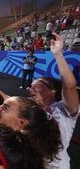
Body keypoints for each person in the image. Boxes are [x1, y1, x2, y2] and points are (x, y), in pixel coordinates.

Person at [28, 33, 79, 169]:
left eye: (36, 86)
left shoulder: (63, 110)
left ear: (52, 91)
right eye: (30, 86)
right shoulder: (29, 109)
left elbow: (69, 86)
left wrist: (58, 54)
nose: (30, 89)